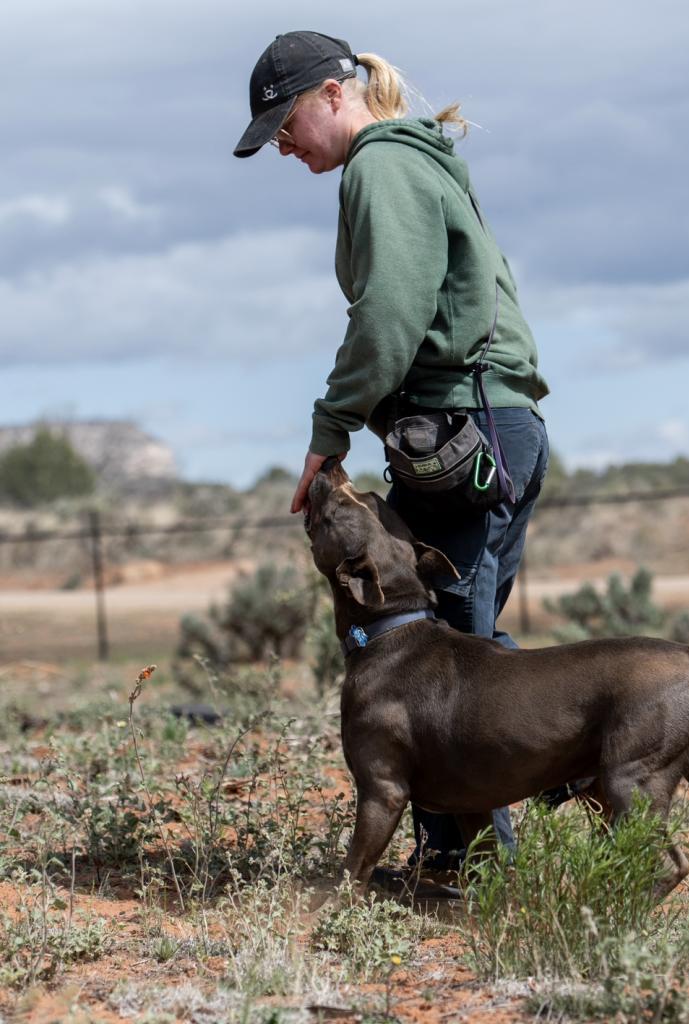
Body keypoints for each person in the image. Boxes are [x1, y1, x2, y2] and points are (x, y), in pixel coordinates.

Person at [234, 31, 550, 879]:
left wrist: (331, 424)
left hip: (461, 431)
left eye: (286, 122)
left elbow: (389, 314)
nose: (283, 146)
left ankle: (469, 868)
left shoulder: (382, 164)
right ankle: (572, 752)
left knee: (437, 657)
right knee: (462, 646)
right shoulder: (418, 159)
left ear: (334, 94)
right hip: (489, 430)